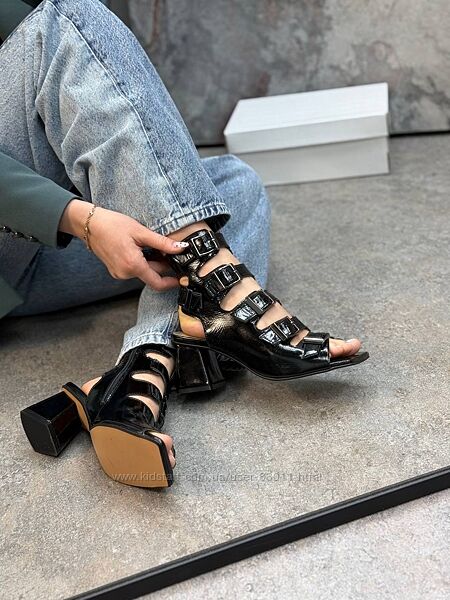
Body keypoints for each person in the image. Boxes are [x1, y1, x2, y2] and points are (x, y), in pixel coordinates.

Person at [0, 0, 368, 489]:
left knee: (234, 185)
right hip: (29, 231)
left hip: (33, 253)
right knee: (63, 21)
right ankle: (222, 295)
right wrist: (80, 219)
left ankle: (138, 368)